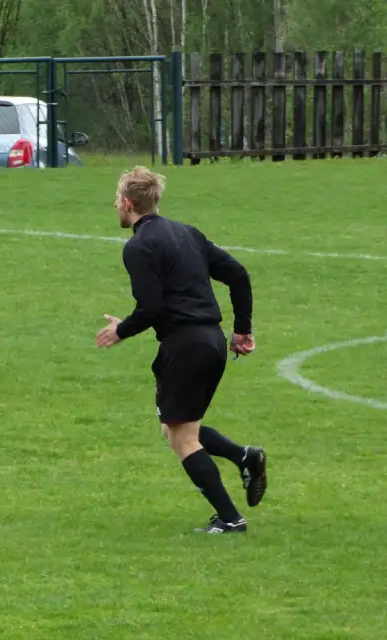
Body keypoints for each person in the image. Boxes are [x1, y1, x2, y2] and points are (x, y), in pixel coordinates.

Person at [95, 166, 266, 534]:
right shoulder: (188, 233)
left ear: (127, 203)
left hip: (184, 346)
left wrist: (120, 330)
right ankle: (243, 456)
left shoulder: (138, 247)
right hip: (212, 341)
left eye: (116, 201)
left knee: (182, 438)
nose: (115, 207)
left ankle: (231, 519)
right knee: (174, 429)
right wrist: (241, 330)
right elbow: (238, 274)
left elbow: (152, 308)